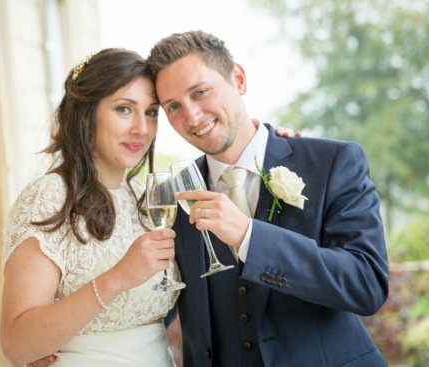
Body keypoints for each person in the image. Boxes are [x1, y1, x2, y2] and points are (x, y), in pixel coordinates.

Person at [145, 30, 389, 367]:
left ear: (239, 79)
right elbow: (156, 302)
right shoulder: (172, 196)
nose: (192, 116)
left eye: (200, 92)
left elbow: (366, 285)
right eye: (173, 106)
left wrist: (250, 237)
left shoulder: (332, 163)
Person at [0, 48, 181, 367]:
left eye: (151, 112)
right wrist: (119, 277)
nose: (142, 128)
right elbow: (17, 345)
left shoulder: (144, 198)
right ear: (87, 114)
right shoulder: (49, 197)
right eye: (124, 109)